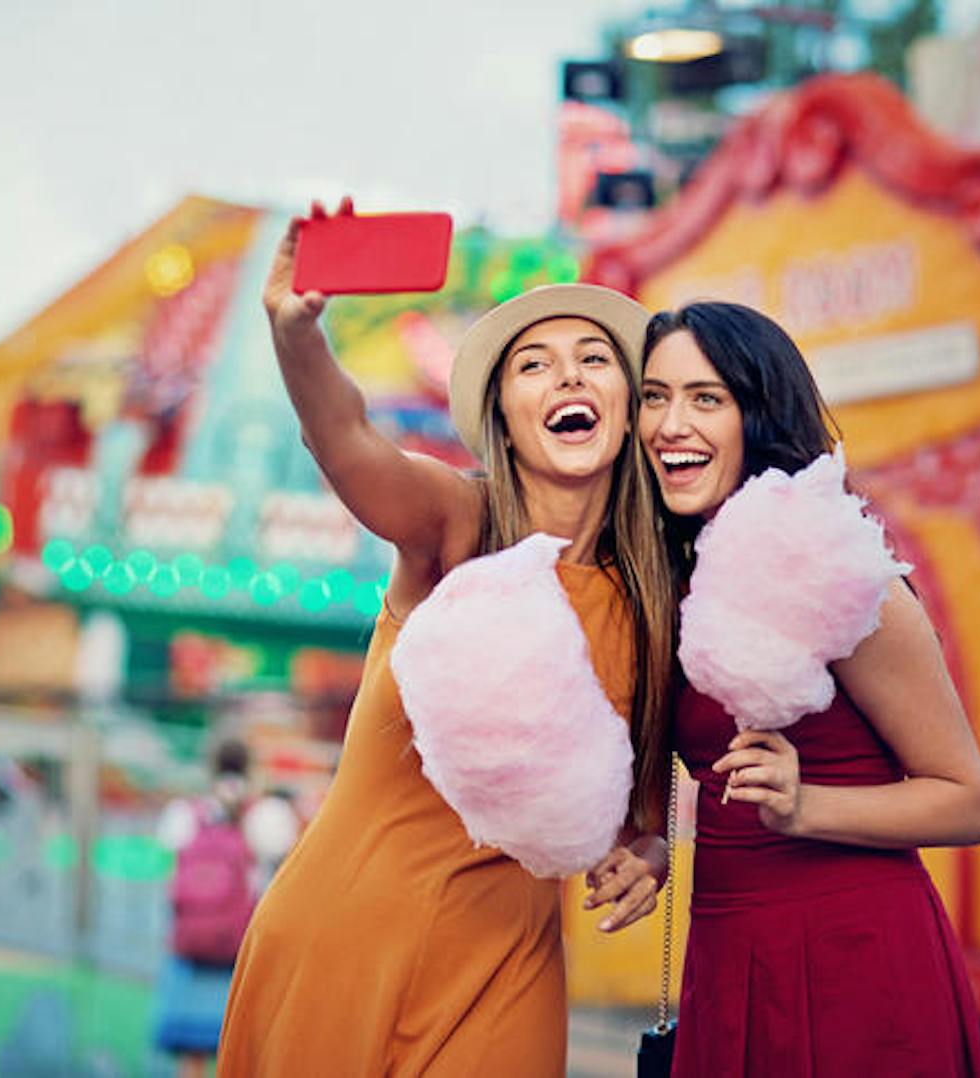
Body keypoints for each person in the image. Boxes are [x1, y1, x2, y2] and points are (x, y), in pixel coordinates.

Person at [215, 201, 676, 1076]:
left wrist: (647, 852)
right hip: (349, 936)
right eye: (535, 365)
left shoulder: (654, 598)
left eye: (593, 361)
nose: (568, 379)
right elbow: (347, 440)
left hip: (509, 963)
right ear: (503, 413)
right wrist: (295, 336)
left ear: (628, 405)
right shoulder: (455, 523)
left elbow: (642, 806)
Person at [634, 301, 980, 1076]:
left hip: (852, 956)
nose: (671, 423)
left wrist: (807, 806)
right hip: (728, 945)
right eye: (654, 397)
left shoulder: (845, 578)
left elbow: (969, 800)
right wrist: (644, 840)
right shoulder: (671, 578)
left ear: (758, 416)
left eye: (707, 398)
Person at [154, 739, 297, 1077]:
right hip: (242, 948)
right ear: (250, 768)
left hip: (191, 946)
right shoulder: (264, 814)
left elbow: (169, 868)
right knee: (241, 1046)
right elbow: (284, 852)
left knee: (192, 1052)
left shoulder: (185, 813)